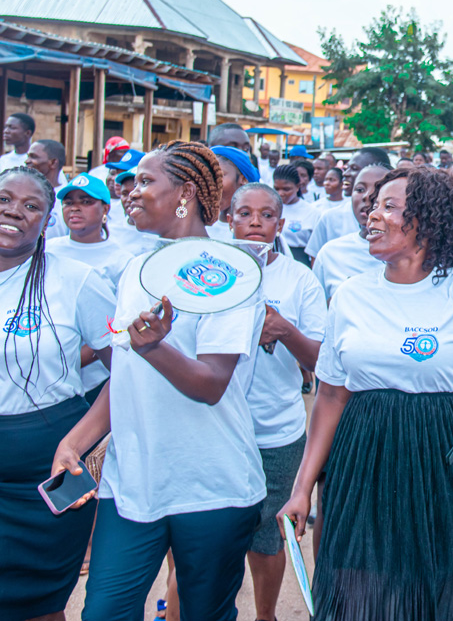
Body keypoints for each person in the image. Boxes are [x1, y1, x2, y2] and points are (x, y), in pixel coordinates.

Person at [279, 167, 453, 620]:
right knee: (357, 589)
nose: (371, 214)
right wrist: (302, 488)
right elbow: (331, 397)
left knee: (435, 592)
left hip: (443, 469)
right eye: (373, 205)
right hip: (360, 465)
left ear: (427, 221)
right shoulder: (350, 295)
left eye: (389, 207)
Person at [53, 140, 267, 621]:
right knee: (104, 612)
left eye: (146, 181)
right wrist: (76, 442)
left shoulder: (232, 270)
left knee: (202, 614)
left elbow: (211, 384)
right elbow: (126, 374)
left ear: (185, 193)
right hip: (133, 481)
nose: (130, 192)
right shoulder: (137, 268)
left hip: (211, 485)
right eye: (131, 183)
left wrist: (154, 347)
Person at [0, 166, 116, 621]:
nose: (14, 211)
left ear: (48, 220)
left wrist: (79, 442)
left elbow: (130, 372)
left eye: (31, 206)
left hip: (50, 466)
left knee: (39, 604)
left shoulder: (76, 281)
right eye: (5, 199)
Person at [227, 183, 326, 621]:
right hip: (216, 427)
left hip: (276, 431)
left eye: (266, 215)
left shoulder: (299, 279)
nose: (255, 222)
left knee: (268, 535)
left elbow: (319, 361)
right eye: (244, 213)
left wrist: (284, 329)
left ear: (280, 225)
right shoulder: (210, 272)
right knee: (208, 533)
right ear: (228, 219)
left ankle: (264, 615)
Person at [49, 173, 135, 402]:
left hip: (95, 380)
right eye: (69, 202)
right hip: (44, 373)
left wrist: (68, 361)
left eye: (86, 202)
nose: (75, 208)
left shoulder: (122, 261)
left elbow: (118, 326)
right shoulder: (47, 251)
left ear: (105, 208)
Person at [312, 164, 390, 301]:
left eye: (378, 190)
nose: (367, 196)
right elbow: (317, 308)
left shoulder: (409, 255)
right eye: (359, 189)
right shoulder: (330, 254)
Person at [306, 147, 391, 261]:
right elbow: (316, 258)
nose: (345, 174)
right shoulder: (330, 217)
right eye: (347, 168)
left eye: (354, 168)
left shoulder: (395, 221)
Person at [208, 145, 261, 241]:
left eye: (218, 176)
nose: (210, 183)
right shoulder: (201, 227)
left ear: (243, 179)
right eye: (206, 176)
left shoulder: (258, 229)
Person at [273, 164, 321, 266]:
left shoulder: (312, 212)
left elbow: (315, 251)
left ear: (298, 187)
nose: (280, 193)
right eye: (276, 189)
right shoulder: (269, 209)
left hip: (300, 262)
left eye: (286, 189)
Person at [24, 140, 70, 239]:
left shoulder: (68, 197)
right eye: (28, 156)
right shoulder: (22, 192)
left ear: (53, 162)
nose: (27, 161)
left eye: (33, 157)